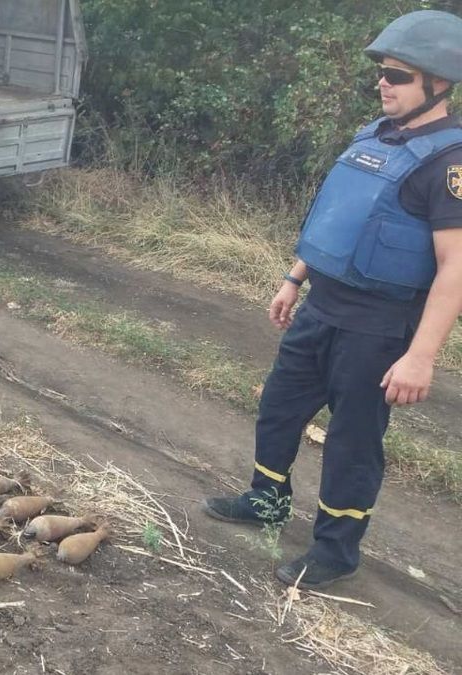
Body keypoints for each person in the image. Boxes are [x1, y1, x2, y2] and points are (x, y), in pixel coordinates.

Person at [203, 10, 462, 590]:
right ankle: (266, 502)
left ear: (439, 84)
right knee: (278, 409)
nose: (383, 83)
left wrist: (420, 357)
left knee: (352, 441)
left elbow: (455, 270)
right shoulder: (374, 136)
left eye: (397, 75)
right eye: (381, 73)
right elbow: (338, 218)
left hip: (377, 328)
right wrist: (293, 279)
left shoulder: (450, 163)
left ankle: (336, 550)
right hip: (321, 307)